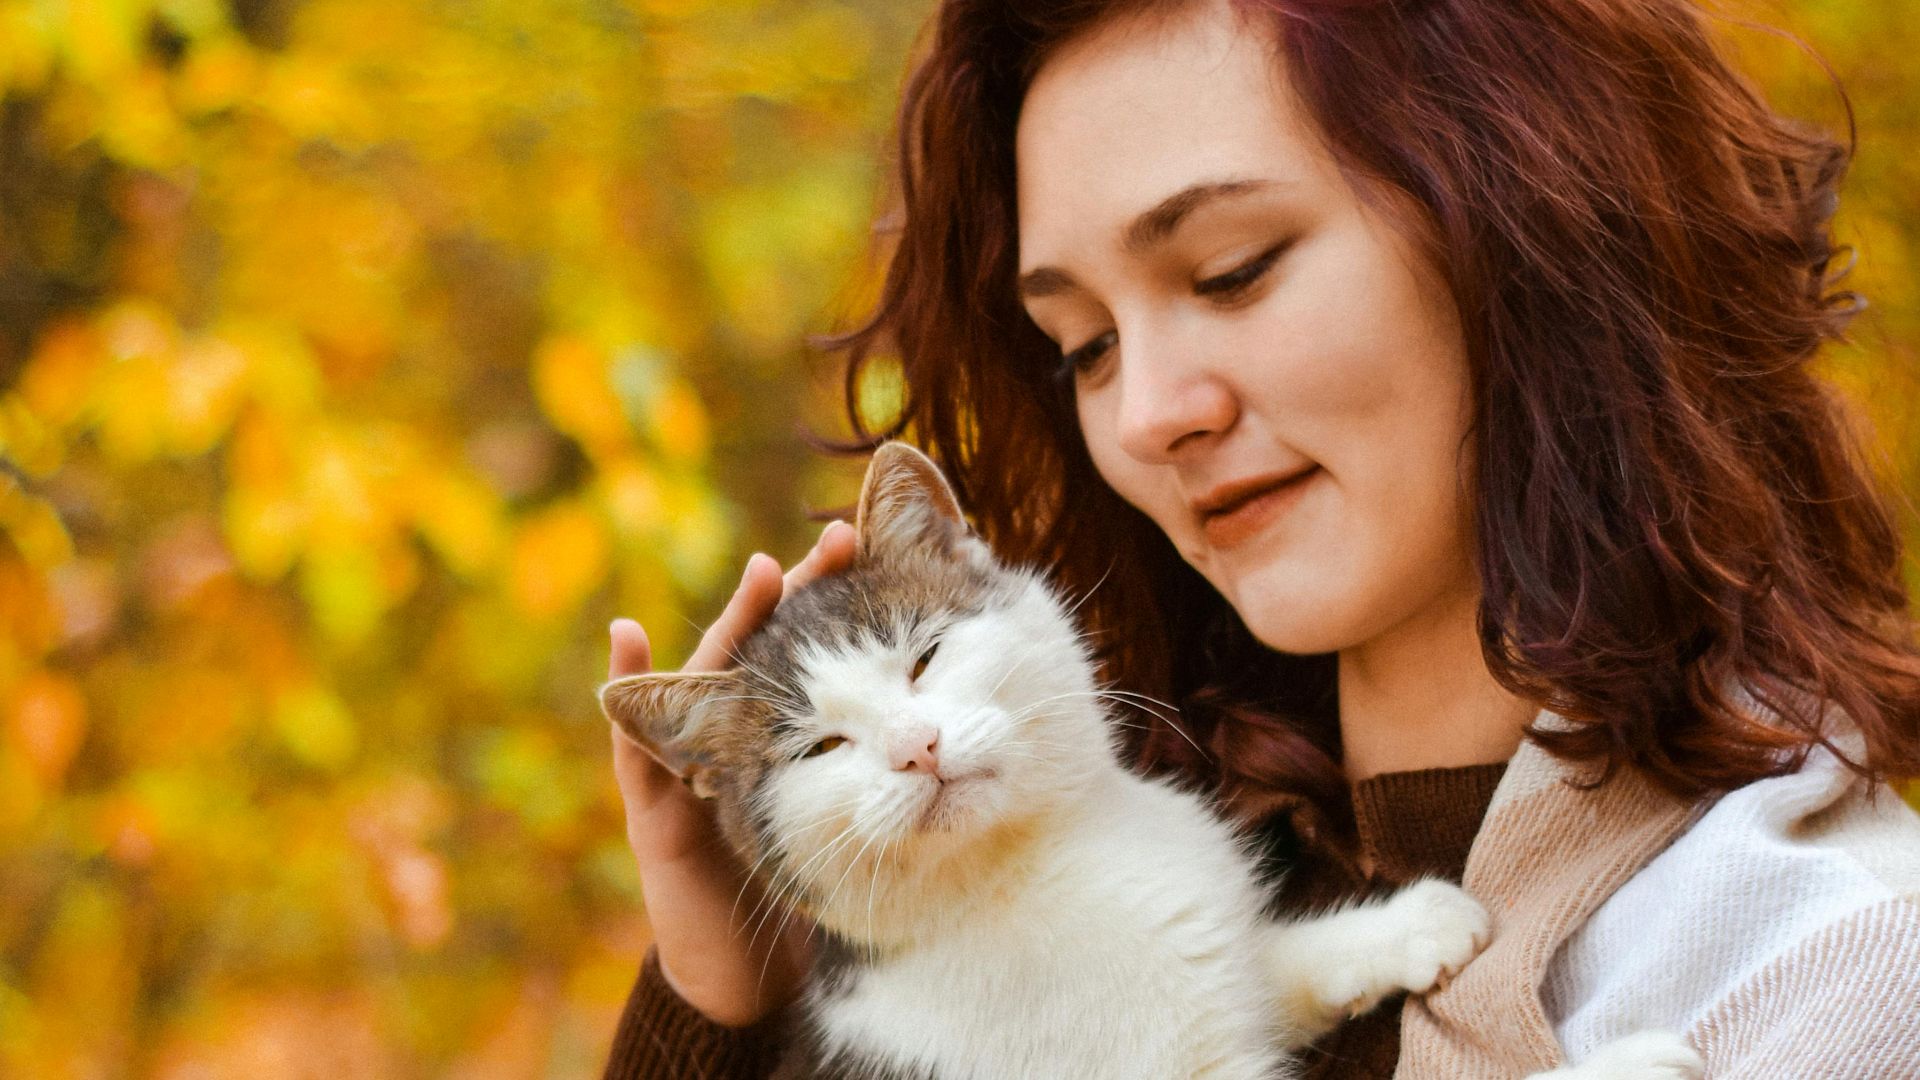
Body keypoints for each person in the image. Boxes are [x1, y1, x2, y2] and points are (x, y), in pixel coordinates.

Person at [598, 0, 1920, 1076]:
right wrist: (722, 1002)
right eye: (1086, 347)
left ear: (1524, 226)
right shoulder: (1150, 848)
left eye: (1232, 270)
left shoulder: (1826, 962)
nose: (1150, 417)